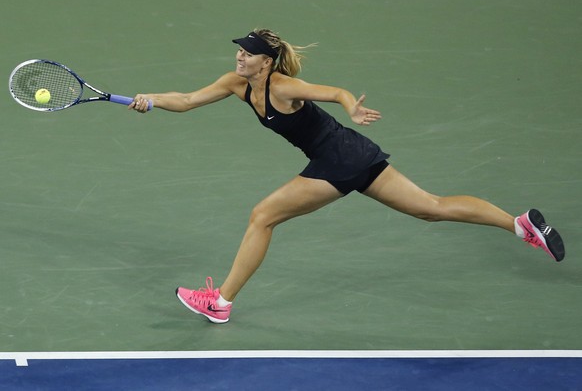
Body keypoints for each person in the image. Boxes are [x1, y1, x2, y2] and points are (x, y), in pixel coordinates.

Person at [130, 29, 565, 324]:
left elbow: (333, 92)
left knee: (262, 216)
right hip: (353, 153)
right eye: (239, 51)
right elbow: (186, 99)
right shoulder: (234, 83)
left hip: (337, 160)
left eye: (247, 53)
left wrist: (350, 105)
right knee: (430, 209)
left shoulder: (281, 87)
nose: (239, 57)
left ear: (267, 61)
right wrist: (150, 99)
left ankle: (220, 302)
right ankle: (519, 223)